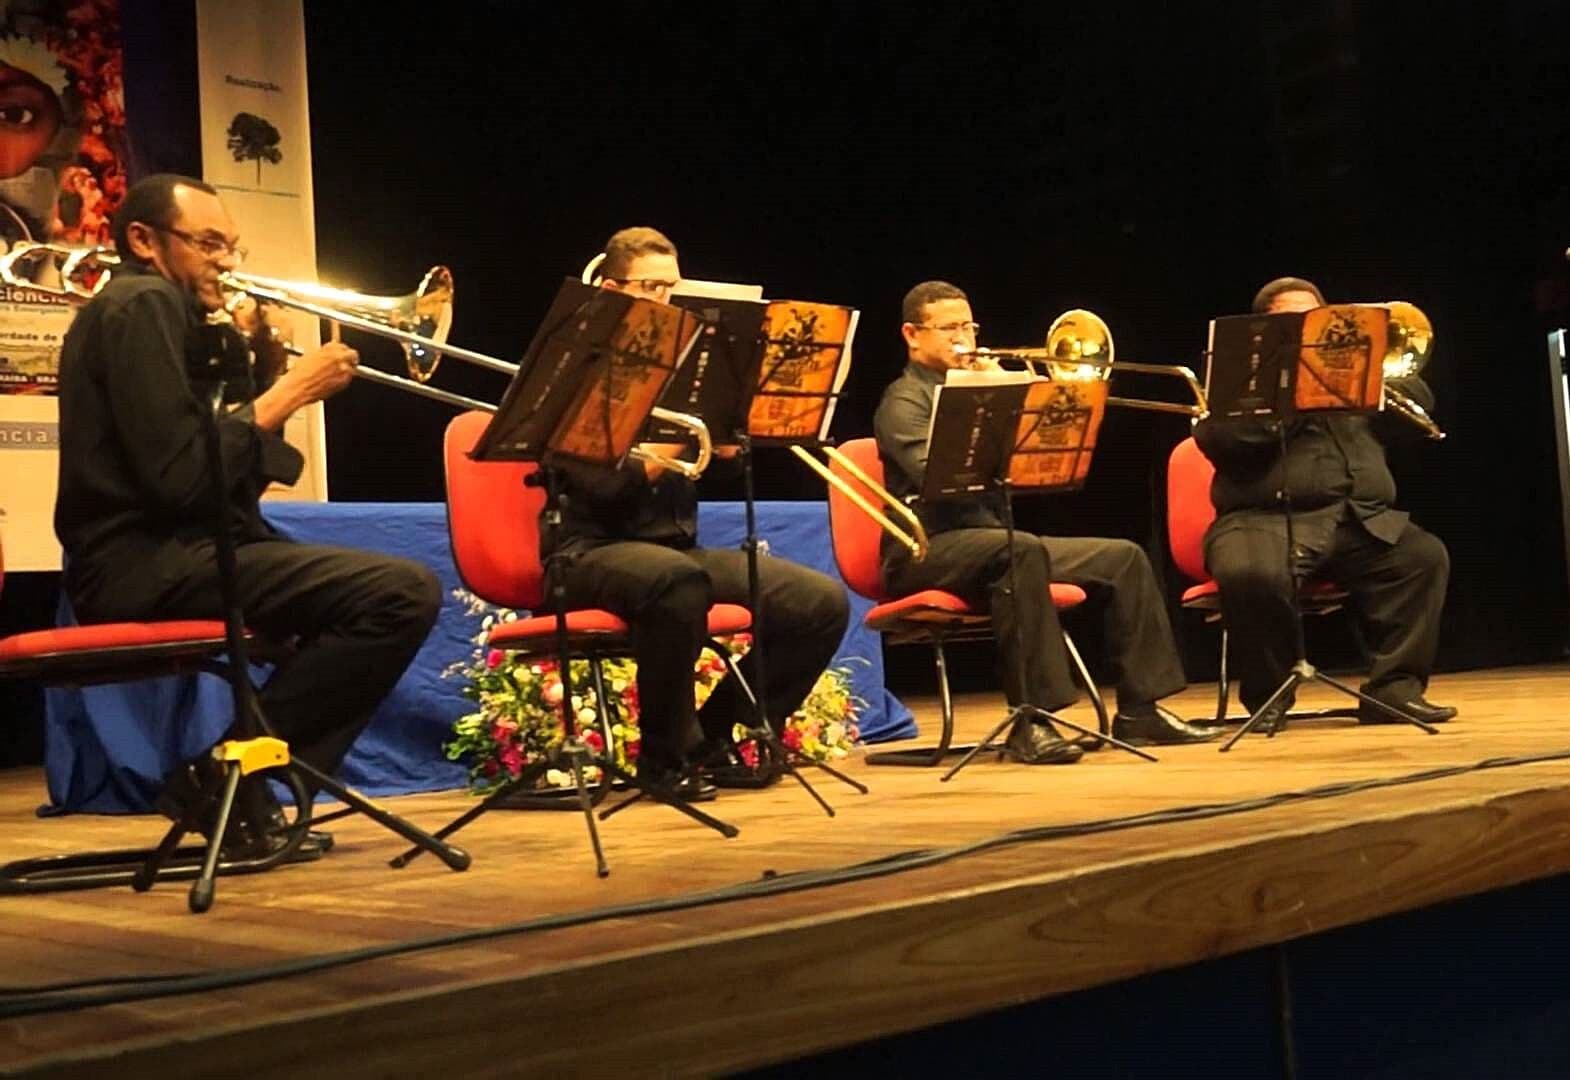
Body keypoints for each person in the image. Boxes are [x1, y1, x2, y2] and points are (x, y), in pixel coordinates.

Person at [54, 173, 441, 851]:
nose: (229, 263)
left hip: (189, 552)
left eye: (232, 246)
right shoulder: (139, 302)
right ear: (144, 240)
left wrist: (261, 373)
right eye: (208, 244)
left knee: (390, 595)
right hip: (142, 565)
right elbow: (177, 478)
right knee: (400, 594)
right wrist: (289, 391)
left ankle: (237, 787)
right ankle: (223, 779)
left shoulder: (173, 318)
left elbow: (230, 485)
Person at [542, 226, 851, 799]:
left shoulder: (690, 367)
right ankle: (664, 759)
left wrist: (729, 444)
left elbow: (715, 473)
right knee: (677, 581)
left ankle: (716, 734)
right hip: (587, 554)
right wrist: (685, 442)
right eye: (653, 288)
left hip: (673, 552)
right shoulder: (574, 368)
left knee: (819, 603)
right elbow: (601, 490)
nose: (669, 301)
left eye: (674, 287)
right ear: (612, 289)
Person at [874, 280, 1219, 762]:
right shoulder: (903, 402)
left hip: (995, 541)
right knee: (1020, 551)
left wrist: (1040, 414)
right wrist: (991, 396)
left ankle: (1142, 708)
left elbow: (1033, 470)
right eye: (949, 328)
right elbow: (941, 477)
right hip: (927, 548)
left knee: (1123, 557)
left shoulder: (979, 386)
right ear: (912, 335)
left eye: (968, 327)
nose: (965, 340)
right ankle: (1032, 719)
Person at [1193, 276, 1454, 730]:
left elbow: (1418, 409)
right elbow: (1224, 442)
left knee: (1422, 557)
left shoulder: (1350, 379)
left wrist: (1374, 374)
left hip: (1359, 521)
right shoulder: (1236, 385)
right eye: (1293, 322)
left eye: (1314, 320)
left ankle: (1392, 692)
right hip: (1261, 521)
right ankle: (1268, 695)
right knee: (1248, 573)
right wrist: (1291, 392)